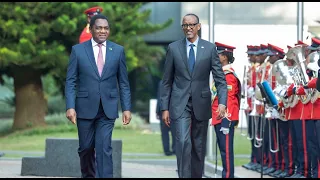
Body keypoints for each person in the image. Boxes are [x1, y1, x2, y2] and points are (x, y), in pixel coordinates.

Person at [160, 13, 228, 178]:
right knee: (183, 142)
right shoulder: (173, 48)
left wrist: (222, 103)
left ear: (198, 26)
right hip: (179, 103)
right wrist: (164, 108)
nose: (188, 28)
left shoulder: (209, 48)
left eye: (191, 25)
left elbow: (220, 79)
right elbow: (166, 81)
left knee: (198, 146)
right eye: (185, 25)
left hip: (201, 103)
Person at [65, 14, 132, 178]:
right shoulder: (78, 50)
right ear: (91, 29)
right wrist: (70, 106)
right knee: (86, 148)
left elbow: (123, 82)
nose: (103, 31)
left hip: (107, 109)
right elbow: (71, 81)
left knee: (104, 148)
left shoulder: (117, 51)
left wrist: (126, 108)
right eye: (99, 28)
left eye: (106, 28)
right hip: (85, 107)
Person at [211, 42, 241, 178]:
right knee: (223, 150)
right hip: (219, 117)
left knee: (226, 151)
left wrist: (226, 120)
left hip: (225, 118)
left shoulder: (228, 75)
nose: (216, 56)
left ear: (225, 57)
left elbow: (229, 98)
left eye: (219, 54)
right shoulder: (221, 73)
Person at [156, 79, 176, 156]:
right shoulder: (176, 82)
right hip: (173, 110)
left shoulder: (162, 82)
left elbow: (159, 97)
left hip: (163, 110)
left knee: (164, 132)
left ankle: (166, 150)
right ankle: (175, 149)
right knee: (175, 131)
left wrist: (157, 111)